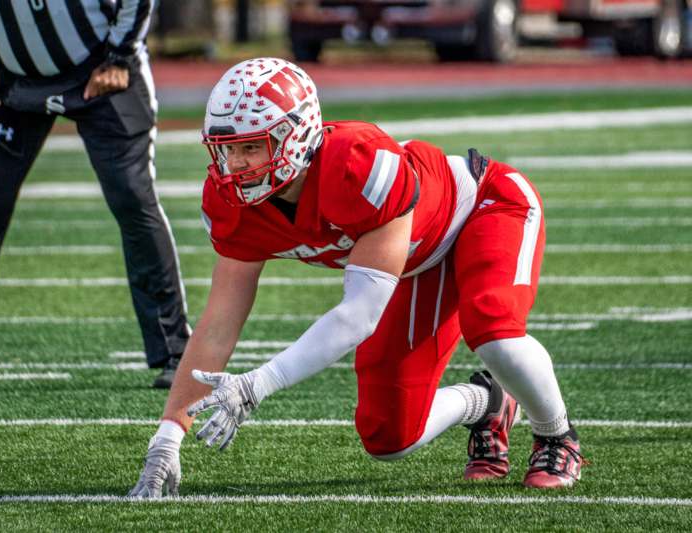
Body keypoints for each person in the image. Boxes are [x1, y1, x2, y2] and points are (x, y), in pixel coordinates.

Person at [129, 57, 585, 498]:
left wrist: (260, 383)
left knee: (492, 327)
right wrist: (168, 438)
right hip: (412, 263)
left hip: (484, 207)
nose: (237, 164)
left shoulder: (357, 164)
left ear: (296, 135)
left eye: (252, 147)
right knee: (389, 437)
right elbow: (217, 326)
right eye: (229, 149)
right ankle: (487, 401)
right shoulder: (235, 206)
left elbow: (358, 315)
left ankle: (556, 437)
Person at [0, 1, 190, 390]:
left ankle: (177, 353)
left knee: (132, 197)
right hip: (11, 79)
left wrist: (120, 53)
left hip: (101, 67)